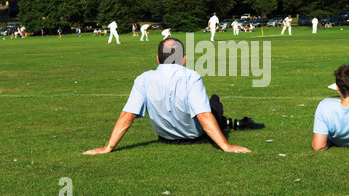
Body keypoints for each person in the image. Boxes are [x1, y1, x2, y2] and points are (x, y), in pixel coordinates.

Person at [83, 38, 252, 155]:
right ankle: (236, 123)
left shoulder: (143, 79)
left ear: (157, 59)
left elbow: (128, 114)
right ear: (183, 59)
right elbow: (203, 115)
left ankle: (234, 123)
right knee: (214, 103)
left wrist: (108, 147)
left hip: (166, 138)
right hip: (194, 136)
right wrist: (226, 146)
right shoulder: (191, 77)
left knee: (210, 107)